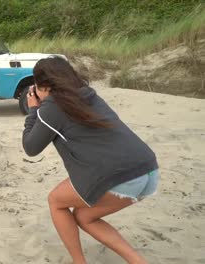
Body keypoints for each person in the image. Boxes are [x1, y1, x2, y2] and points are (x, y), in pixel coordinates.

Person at [22, 56, 159, 264]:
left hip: (118, 175)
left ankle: (79, 262)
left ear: (42, 86)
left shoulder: (53, 106)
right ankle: (138, 261)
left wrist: (33, 109)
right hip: (148, 169)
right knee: (84, 217)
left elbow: (31, 147)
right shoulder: (88, 94)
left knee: (56, 202)